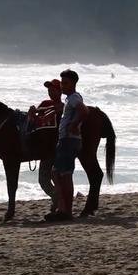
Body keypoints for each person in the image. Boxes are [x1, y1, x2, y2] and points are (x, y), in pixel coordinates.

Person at [45, 69, 88, 222]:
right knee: (57, 173)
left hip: (69, 140)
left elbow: (84, 111)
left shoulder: (74, 97)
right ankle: (63, 209)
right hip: (66, 139)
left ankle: (66, 211)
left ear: (73, 83)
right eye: (62, 83)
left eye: (65, 83)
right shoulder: (69, 99)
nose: (62, 86)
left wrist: (73, 125)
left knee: (64, 174)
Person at [28, 79, 64, 210]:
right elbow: (34, 122)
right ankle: (57, 199)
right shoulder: (45, 104)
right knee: (43, 180)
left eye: (53, 89)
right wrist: (31, 113)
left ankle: (59, 202)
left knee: (56, 178)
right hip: (45, 149)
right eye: (49, 90)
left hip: (57, 149)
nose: (50, 92)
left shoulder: (63, 107)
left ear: (60, 91)